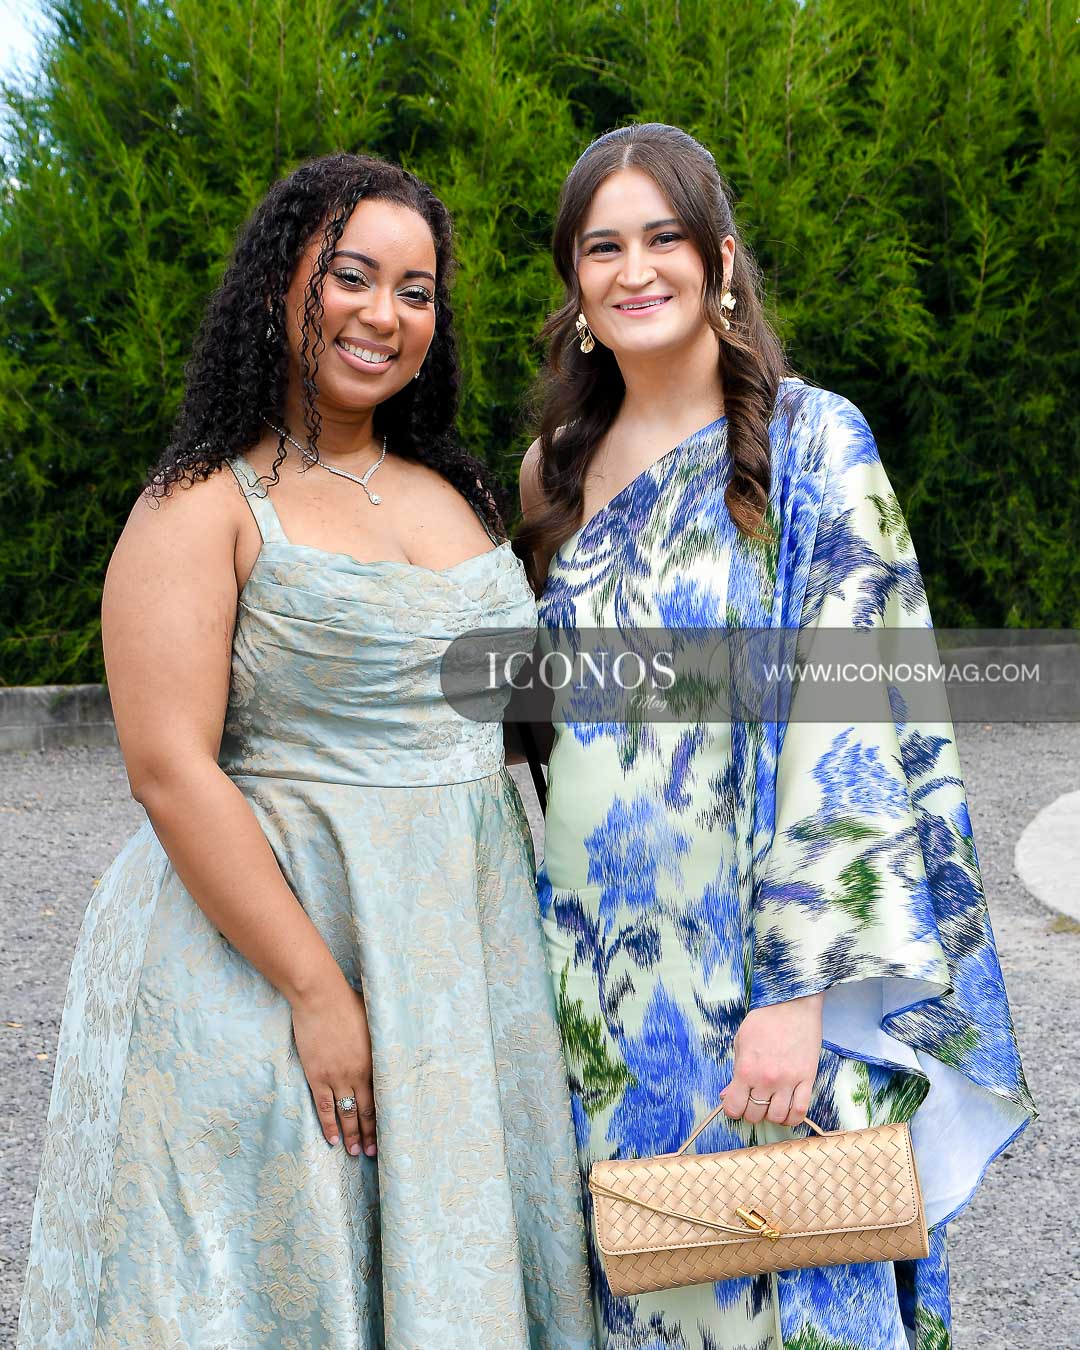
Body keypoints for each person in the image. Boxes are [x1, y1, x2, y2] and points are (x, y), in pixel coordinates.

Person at [18, 152, 595, 1349]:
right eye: (352, 277)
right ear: (281, 285)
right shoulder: (202, 503)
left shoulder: (462, 491)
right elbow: (168, 769)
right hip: (273, 958)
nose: (385, 314)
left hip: (462, 959)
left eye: (417, 291)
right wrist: (317, 993)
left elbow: (516, 714)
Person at [516, 123, 1036, 1350]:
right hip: (597, 968)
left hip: (758, 961)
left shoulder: (814, 442)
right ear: (575, 281)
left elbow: (851, 723)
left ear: (720, 260)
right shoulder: (551, 474)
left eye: (663, 238)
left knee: (791, 1274)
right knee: (645, 1275)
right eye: (602, 247)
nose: (634, 269)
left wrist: (798, 995)